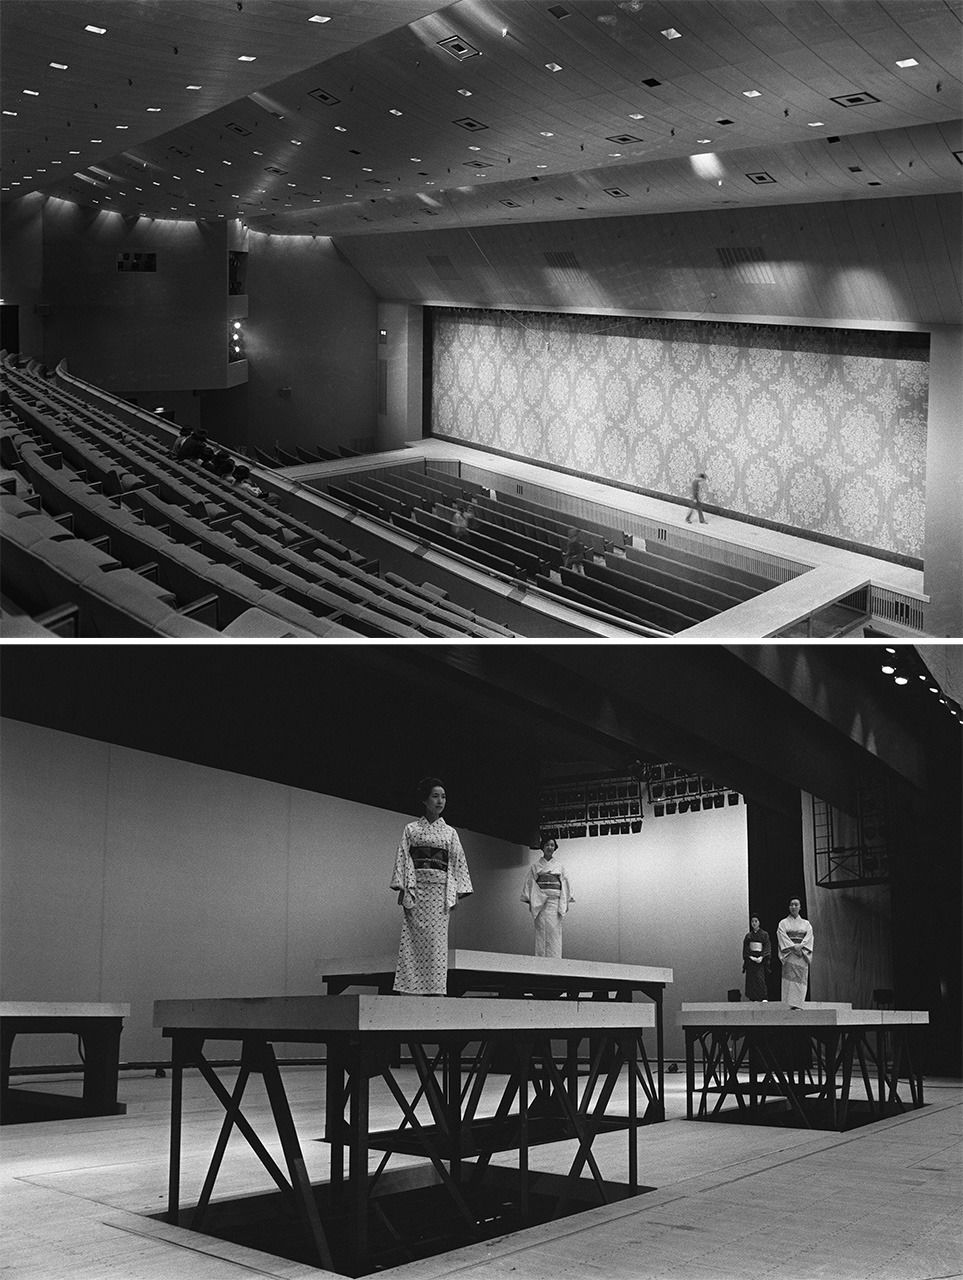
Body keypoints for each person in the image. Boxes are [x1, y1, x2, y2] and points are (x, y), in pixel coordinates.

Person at [391, 777, 472, 995]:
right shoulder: (411, 829)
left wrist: (455, 892)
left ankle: (436, 988)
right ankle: (409, 988)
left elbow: (457, 862)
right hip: (417, 890)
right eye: (435, 796)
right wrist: (403, 886)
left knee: (437, 944)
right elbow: (403, 857)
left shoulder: (450, 833)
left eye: (443, 797)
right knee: (412, 941)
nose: (440, 801)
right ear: (424, 800)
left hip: (439, 892)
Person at [521, 836, 573, 959]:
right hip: (540, 904)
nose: (550, 847)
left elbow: (565, 884)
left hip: (554, 904)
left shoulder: (559, 866)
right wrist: (532, 901)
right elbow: (530, 884)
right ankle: (541, 962)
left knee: (555, 934)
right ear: (542, 847)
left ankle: (555, 962)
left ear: (555, 848)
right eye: (547, 845)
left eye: (552, 845)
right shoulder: (536, 866)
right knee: (541, 933)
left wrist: (565, 903)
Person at [777, 897, 813, 1005]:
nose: (793, 907)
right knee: (789, 980)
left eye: (796, 904)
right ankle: (788, 1004)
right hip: (790, 954)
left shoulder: (806, 924)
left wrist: (800, 947)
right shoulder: (783, 923)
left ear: (800, 907)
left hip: (801, 954)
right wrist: (793, 947)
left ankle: (799, 1004)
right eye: (791, 904)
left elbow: (809, 937)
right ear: (789, 907)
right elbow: (781, 935)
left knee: (800, 980)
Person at [742, 913, 771, 1001]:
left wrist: (762, 957)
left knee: (760, 978)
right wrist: (750, 957)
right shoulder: (748, 936)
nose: (754, 923)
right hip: (751, 960)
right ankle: (753, 997)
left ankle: (763, 997)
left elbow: (767, 947)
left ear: (759, 922)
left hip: (760, 960)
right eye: (752, 921)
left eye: (756, 921)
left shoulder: (764, 934)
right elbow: (746, 948)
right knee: (751, 979)